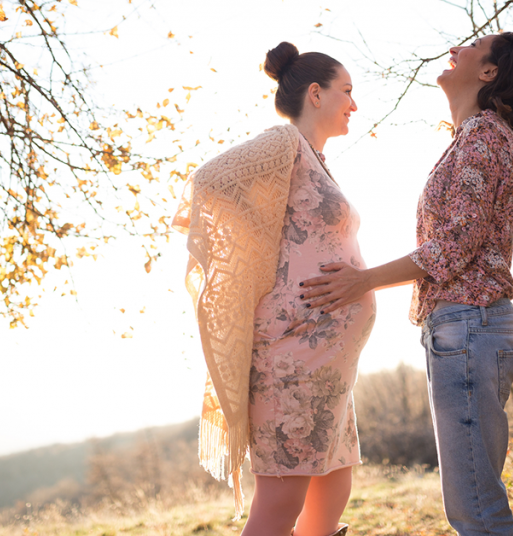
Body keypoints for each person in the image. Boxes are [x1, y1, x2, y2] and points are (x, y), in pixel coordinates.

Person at [299, 32, 513, 535]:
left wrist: (361, 281)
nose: (458, 46)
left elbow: (454, 244)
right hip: (463, 330)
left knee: (476, 510)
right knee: (474, 504)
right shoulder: (475, 138)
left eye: (475, 44)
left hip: (469, 327)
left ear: (489, 72)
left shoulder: (482, 136)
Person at [173, 41, 372, 536]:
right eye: (346, 91)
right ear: (315, 93)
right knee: (282, 503)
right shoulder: (283, 143)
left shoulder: (315, 160)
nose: (354, 103)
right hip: (292, 356)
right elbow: (210, 181)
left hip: (326, 365)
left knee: (333, 488)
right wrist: (258, 263)